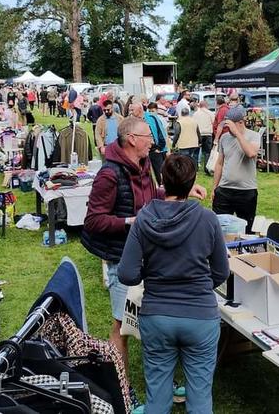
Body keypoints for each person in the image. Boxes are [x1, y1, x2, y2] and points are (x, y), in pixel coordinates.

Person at [82, 118, 206, 409]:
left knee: (148, 317)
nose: (153, 140)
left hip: (144, 252)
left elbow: (150, 195)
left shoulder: (145, 162)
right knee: (121, 324)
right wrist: (131, 222)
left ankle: (164, 383)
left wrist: (180, 190)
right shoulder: (108, 175)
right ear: (131, 139)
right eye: (147, 136)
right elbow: (92, 221)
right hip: (119, 255)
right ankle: (122, 392)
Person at [118, 155, 229, 414]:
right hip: (200, 317)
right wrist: (198, 285)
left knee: (157, 397)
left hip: (157, 316)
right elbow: (222, 271)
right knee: (200, 398)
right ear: (191, 184)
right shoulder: (208, 219)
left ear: (163, 182)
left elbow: (126, 273)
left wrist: (153, 276)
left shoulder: (144, 219)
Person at [212, 106, 261, 232]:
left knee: (247, 230)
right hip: (224, 191)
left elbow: (251, 153)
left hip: (246, 191)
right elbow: (219, 164)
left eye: (231, 126)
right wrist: (215, 188)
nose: (228, 129)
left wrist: (238, 134)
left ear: (240, 122)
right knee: (219, 229)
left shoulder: (254, 136)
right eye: (227, 126)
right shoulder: (224, 138)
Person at [145, 102, 168, 185]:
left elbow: (164, 133)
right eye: (150, 111)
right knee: (160, 170)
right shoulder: (153, 118)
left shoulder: (159, 119)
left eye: (153, 111)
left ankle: (163, 185)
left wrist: (162, 147)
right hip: (160, 148)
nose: (151, 113)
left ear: (156, 110)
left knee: (161, 170)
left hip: (161, 148)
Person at [193, 100, 215, 175]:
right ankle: (206, 168)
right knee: (207, 152)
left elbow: (193, 124)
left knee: (196, 152)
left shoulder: (195, 114)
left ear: (200, 105)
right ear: (206, 105)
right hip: (208, 134)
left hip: (198, 134)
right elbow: (213, 122)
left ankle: (195, 169)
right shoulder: (210, 113)